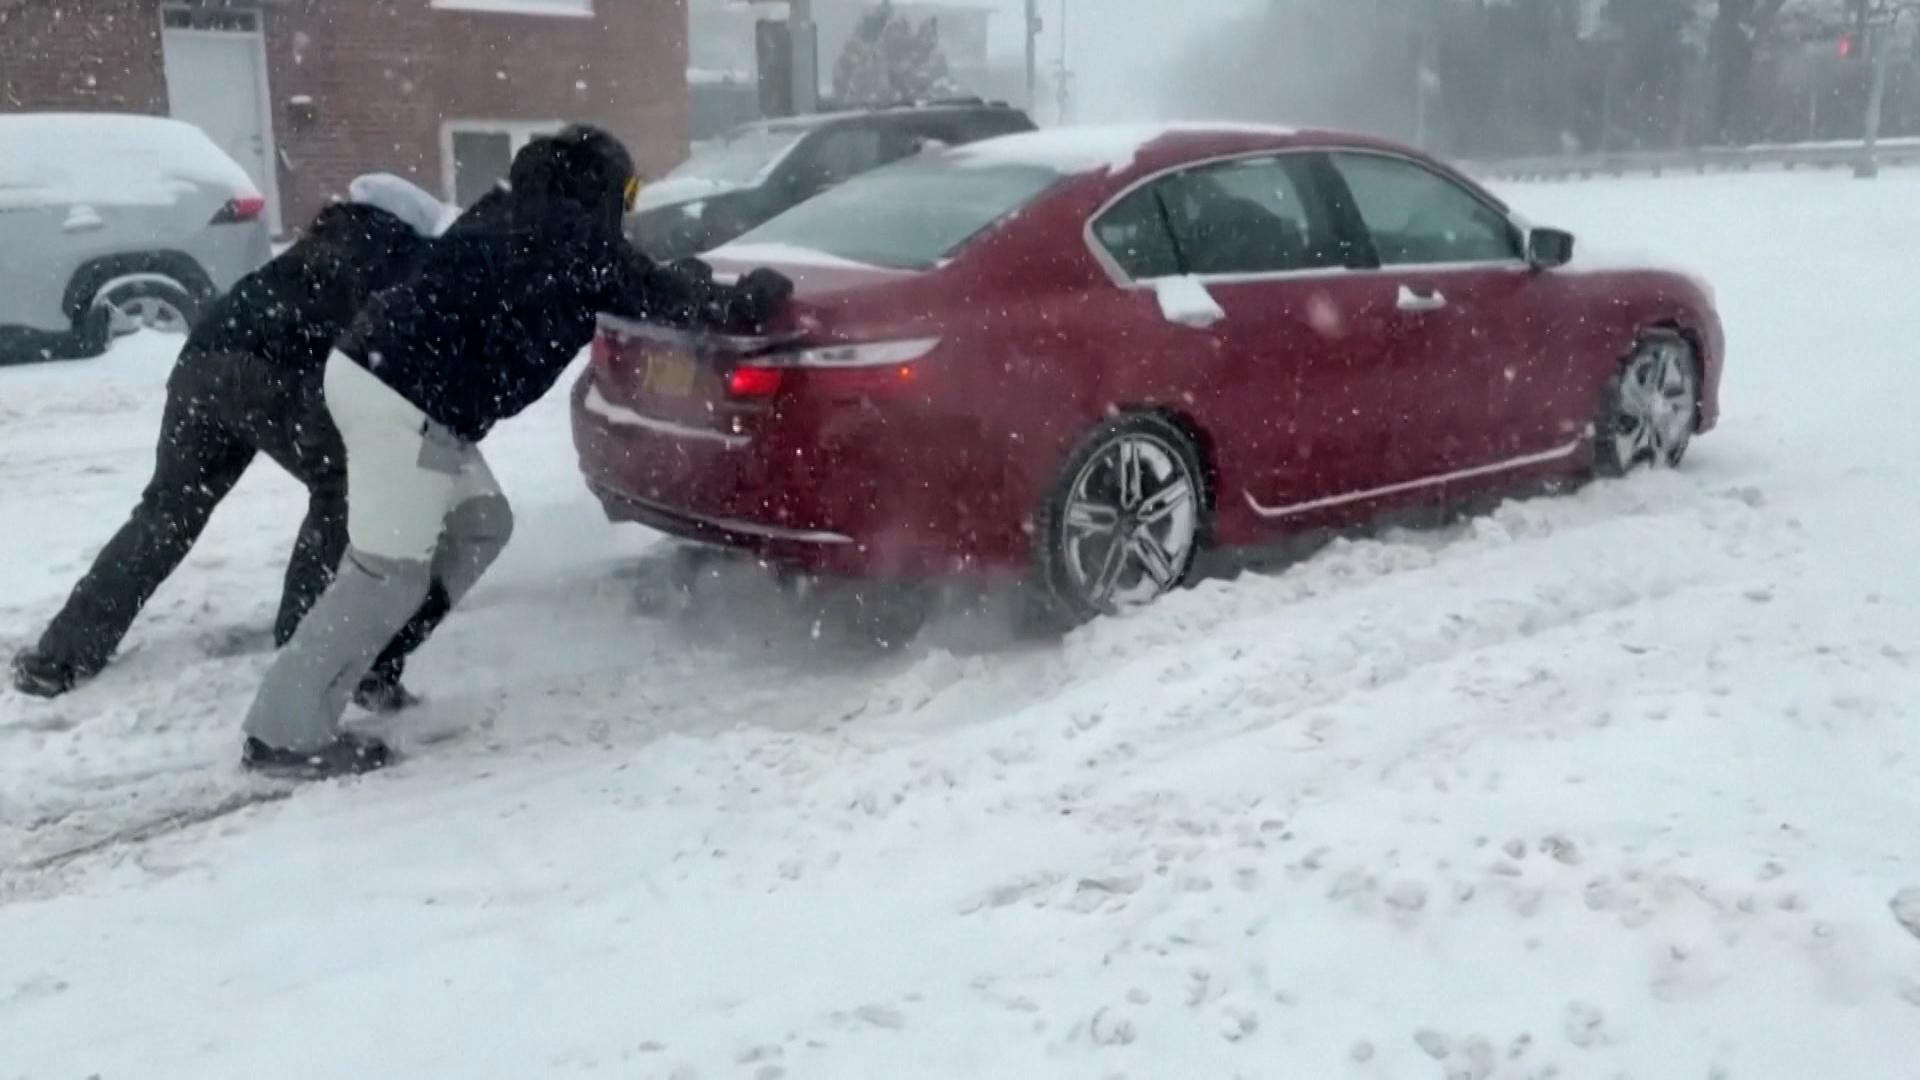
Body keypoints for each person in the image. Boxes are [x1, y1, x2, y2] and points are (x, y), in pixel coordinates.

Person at [240, 124, 793, 778]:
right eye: (631, 195)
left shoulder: (519, 213)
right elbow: (651, 295)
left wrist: (672, 279)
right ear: (608, 189)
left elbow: (619, 282)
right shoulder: (572, 240)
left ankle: (370, 665)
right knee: (387, 571)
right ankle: (283, 732)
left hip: (393, 384)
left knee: (479, 525)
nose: (630, 210)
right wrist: (745, 299)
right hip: (405, 400)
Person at [10, 175, 455, 706]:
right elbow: (385, 363)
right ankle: (304, 647)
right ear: (404, 227)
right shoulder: (388, 261)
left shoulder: (322, 246)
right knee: (345, 487)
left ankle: (60, 656)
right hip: (271, 376)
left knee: (167, 511)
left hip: (201, 366)